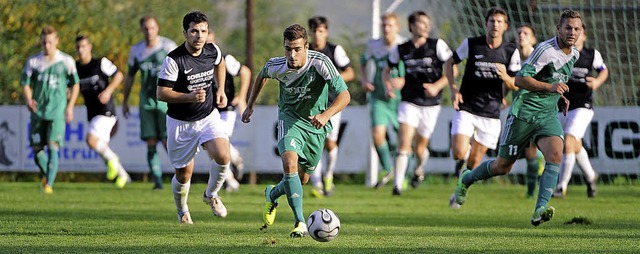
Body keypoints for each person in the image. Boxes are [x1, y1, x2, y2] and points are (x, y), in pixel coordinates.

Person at [452, 10, 584, 227]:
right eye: (568, 27)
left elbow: (555, 81)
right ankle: (467, 178)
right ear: (558, 29)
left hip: (547, 115)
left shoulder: (575, 54)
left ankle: (540, 209)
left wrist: (558, 96)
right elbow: (520, 79)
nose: (572, 32)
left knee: (555, 154)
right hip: (523, 114)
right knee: (502, 167)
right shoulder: (544, 50)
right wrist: (551, 87)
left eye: (576, 29)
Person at [241, 24, 350, 237]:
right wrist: (250, 105)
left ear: (306, 47)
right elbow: (262, 75)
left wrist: (326, 114)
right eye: (288, 49)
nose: (292, 55)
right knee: (289, 164)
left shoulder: (320, 62)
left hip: (316, 124)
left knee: (302, 180)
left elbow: (345, 95)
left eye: (297, 49)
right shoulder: (277, 65)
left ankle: (272, 193)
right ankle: (300, 222)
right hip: (289, 119)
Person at [157, 11, 231, 224]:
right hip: (180, 123)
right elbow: (161, 93)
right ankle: (182, 211)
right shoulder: (174, 59)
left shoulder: (212, 50)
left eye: (203, 31)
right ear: (185, 33)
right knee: (183, 174)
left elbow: (221, 62)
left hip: (208, 116)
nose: (199, 36)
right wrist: (189, 96)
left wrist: (220, 90)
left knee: (223, 155)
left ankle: (211, 195)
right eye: (194, 31)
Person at [446, 7, 521, 179]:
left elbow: (516, 84)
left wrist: (505, 79)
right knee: (458, 152)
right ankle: (462, 157)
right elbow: (450, 63)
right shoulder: (472, 44)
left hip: (491, 111)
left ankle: (460, 189)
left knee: (474, 162)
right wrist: (453, 89)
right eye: (492, 21)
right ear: (486, 24)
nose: (495, 25)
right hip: (467, 105)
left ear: (505, 26)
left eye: (499, 22)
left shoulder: (511, 51)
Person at [386, 11, 454, 195]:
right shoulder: (401, 49)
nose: (426, 26)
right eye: (421, 23)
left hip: (431, 104)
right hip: (409, 101)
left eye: (427, 23)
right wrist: (389, 86)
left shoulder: (437, 45)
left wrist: (437, 85)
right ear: (411, 27)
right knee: (404, 142)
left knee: (420, 147)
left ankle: (418, 169)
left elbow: (452, 69)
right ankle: (398, 186)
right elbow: (387, 69)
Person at [21, 26, 80, 194]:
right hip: (37, 111)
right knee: (37, 150)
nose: (47, 46)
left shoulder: (66, 61)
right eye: (44, 42)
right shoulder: (33, 62)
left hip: (57, 111)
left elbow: (75, 84)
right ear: (41, 42)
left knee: (53, 145)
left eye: (50, 42)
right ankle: (48, 175)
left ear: (57, 41)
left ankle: (49, 185)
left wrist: (70, 106)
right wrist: (28, 99)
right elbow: (25, 83)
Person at [122, 15, 177, 190]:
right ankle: (158, 181)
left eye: (152, 28)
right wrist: (124, 100)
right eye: (146, 28)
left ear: (157, 28)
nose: (149, 31)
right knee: (151, 141)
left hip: (166, 101)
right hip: (146, 101)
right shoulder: (136, 50)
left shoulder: (168, 47)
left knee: (168, 141)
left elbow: (181, 71)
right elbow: (130, 76)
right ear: (141, 30)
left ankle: (182, 175)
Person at [554, 26, 608, 198]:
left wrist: (597, 82)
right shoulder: (561, 54)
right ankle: (591, 176)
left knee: (568, 142)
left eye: (578, 31)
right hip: (563, 106)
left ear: (584, 35)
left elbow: (603, 70)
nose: (574, 34)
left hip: (583, 106)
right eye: (570, 30)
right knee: (575, 145)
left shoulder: (591, 54)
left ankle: (561, 187)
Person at [307, 16, 355, 197]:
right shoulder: (306, 50)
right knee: (314, 143)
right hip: (311, 105)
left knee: (330, 142)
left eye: (321, 31)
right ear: (310, 33)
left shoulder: (335, 50)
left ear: (326, 32)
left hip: (333, 105)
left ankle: (329, 175)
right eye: (314, 31)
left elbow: (350, 72)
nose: (317, 35)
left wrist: (333, 81)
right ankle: (317, 183)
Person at [74, 35, 130, 188]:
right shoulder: (76, 67)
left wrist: (108, 91)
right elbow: (72, 87)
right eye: (78, 47)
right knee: (102, 148)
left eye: (83, 46)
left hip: (106, 111)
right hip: (91, 113)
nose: (81, 50)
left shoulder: (100, 63)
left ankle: (114, 160)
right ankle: (123, 175)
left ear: (90, 47)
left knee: (90, 140)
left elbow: (119, 75)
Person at [360, 13, 404, 189]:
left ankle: (404, 177)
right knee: (377, 134)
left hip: (401, 100)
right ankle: (388, 169)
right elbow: (362, 62)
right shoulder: (373, 45)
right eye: (384, 25)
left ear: (397, 27)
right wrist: (364, 80)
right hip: (378, 97)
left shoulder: (403, 45)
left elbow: (411, 70)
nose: (387, 29)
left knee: (404, 141)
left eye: (390, 25)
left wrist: (403, 81)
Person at [206, 31, 251, 192]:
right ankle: (231, 179)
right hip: (207, 110)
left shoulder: (225, 59)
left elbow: (245, 71)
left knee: (218, 142)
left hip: (226, 109)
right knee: (212, 147)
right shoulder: (197, 61)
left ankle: (235, 161)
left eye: (211, 42)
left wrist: (241, 96)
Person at [514, 24, 545, 198]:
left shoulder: (539, 57)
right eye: (518, 33)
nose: (521, 35)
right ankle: (531, 189)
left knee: (531, 148)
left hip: (536, 107)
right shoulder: (512, 57)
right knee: (528, 151)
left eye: (526, 33)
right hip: (519, 108)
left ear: (533, 39)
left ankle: (532, 192)